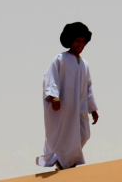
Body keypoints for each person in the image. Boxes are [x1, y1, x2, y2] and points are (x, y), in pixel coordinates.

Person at [36, 22, 99, 170]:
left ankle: (65, 161)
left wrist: (93, 109)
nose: (81, 44)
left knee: (84, 134)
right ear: (71, 41)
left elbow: (88, 87)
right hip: (64, 107)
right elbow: (50, 78)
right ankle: (65, 163)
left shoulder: (84, 64)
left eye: (83, 41)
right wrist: (53, 97)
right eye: (78, 41)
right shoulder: (60, 59)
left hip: (80, 107)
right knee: (64, 135)